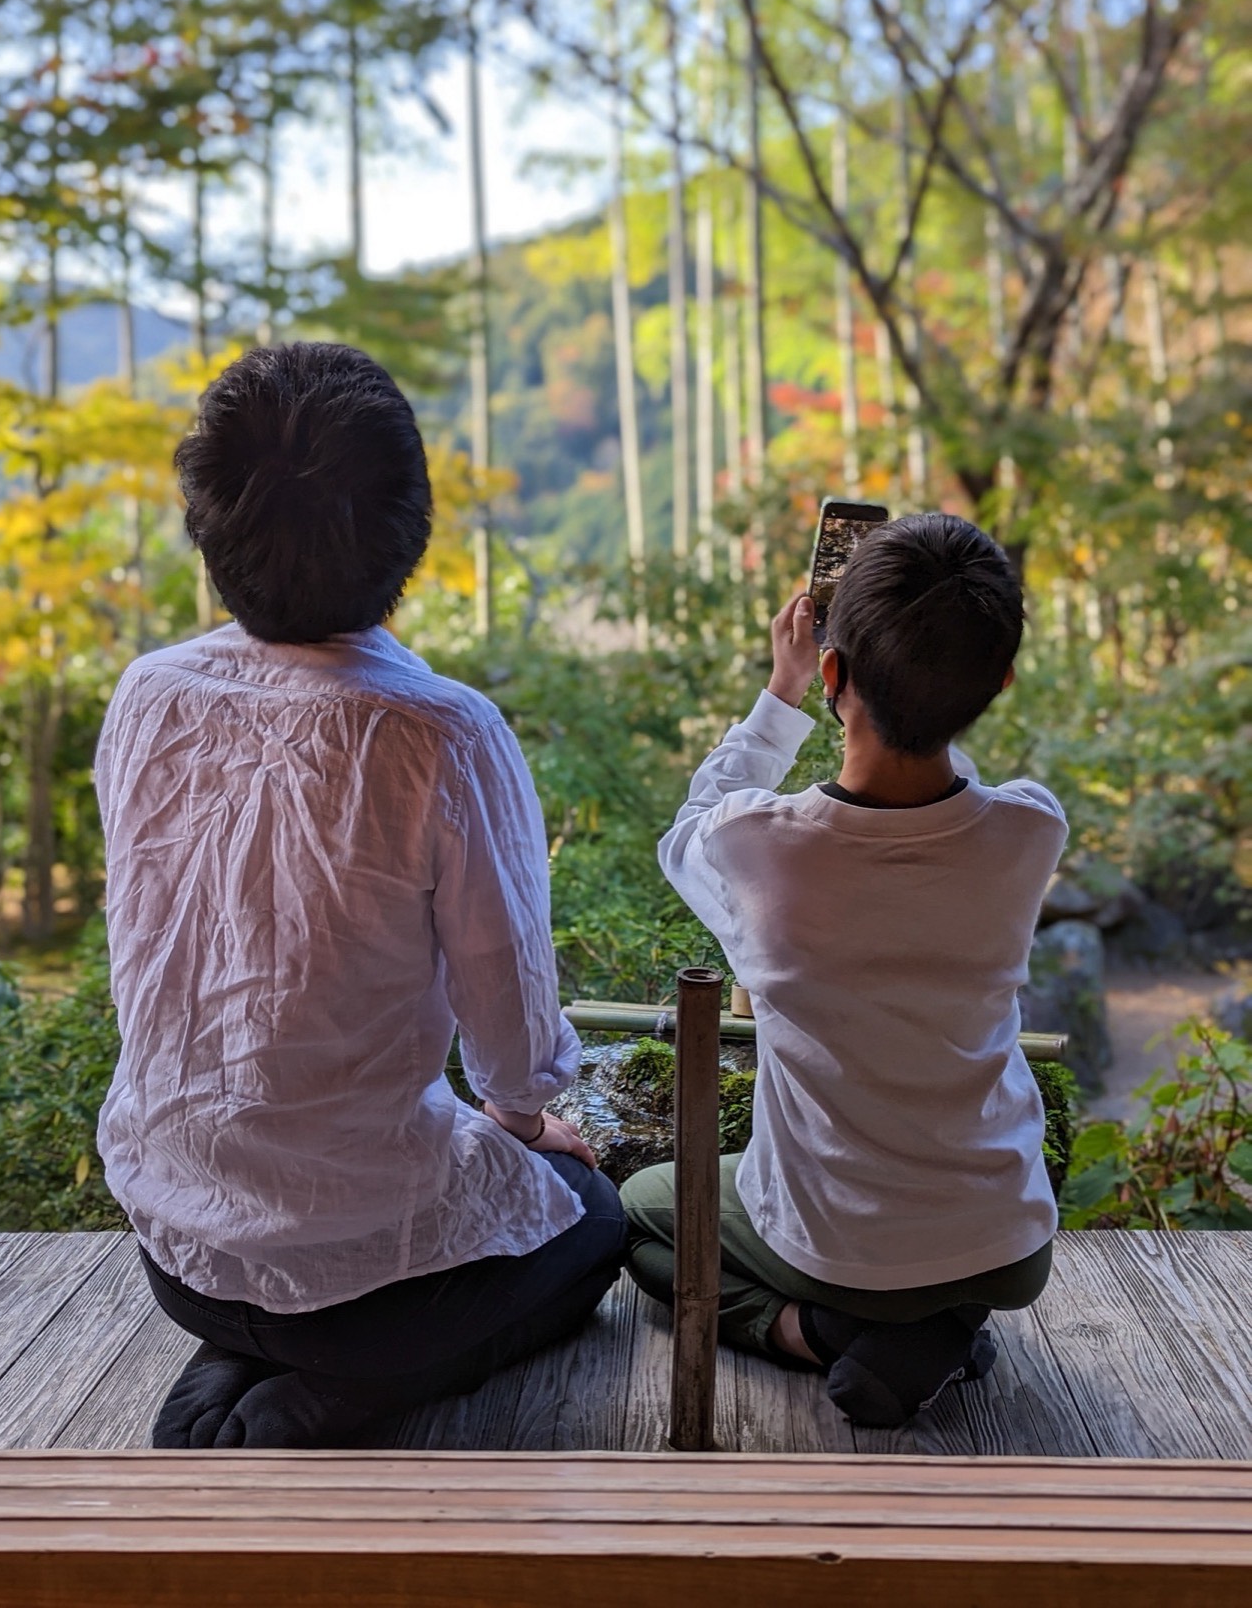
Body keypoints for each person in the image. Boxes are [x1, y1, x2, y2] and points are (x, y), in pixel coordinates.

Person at [94, 341, 626, 1449]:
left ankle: (247, 1356)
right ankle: (331, 1391)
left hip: (176, 1241)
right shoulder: (441, 733)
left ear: (211, 527)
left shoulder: (147, 698)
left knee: (321, 1245)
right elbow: (513, 1045)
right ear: (408, 528)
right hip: (360, 1265)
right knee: (592, 1223)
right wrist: (527, 1125)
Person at [620, 513, 1067, 1428]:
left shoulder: (758, 851)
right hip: (1007, 1240)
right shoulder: (1030, 831)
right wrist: (926, 674)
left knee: (639, 1214)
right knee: (938, 1259)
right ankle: (930, 1330)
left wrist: (781, 694)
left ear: (832, 670)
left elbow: (688, 830)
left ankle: (813, 1333)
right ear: (1001, 682)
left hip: (833, 1245)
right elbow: (952, 800)